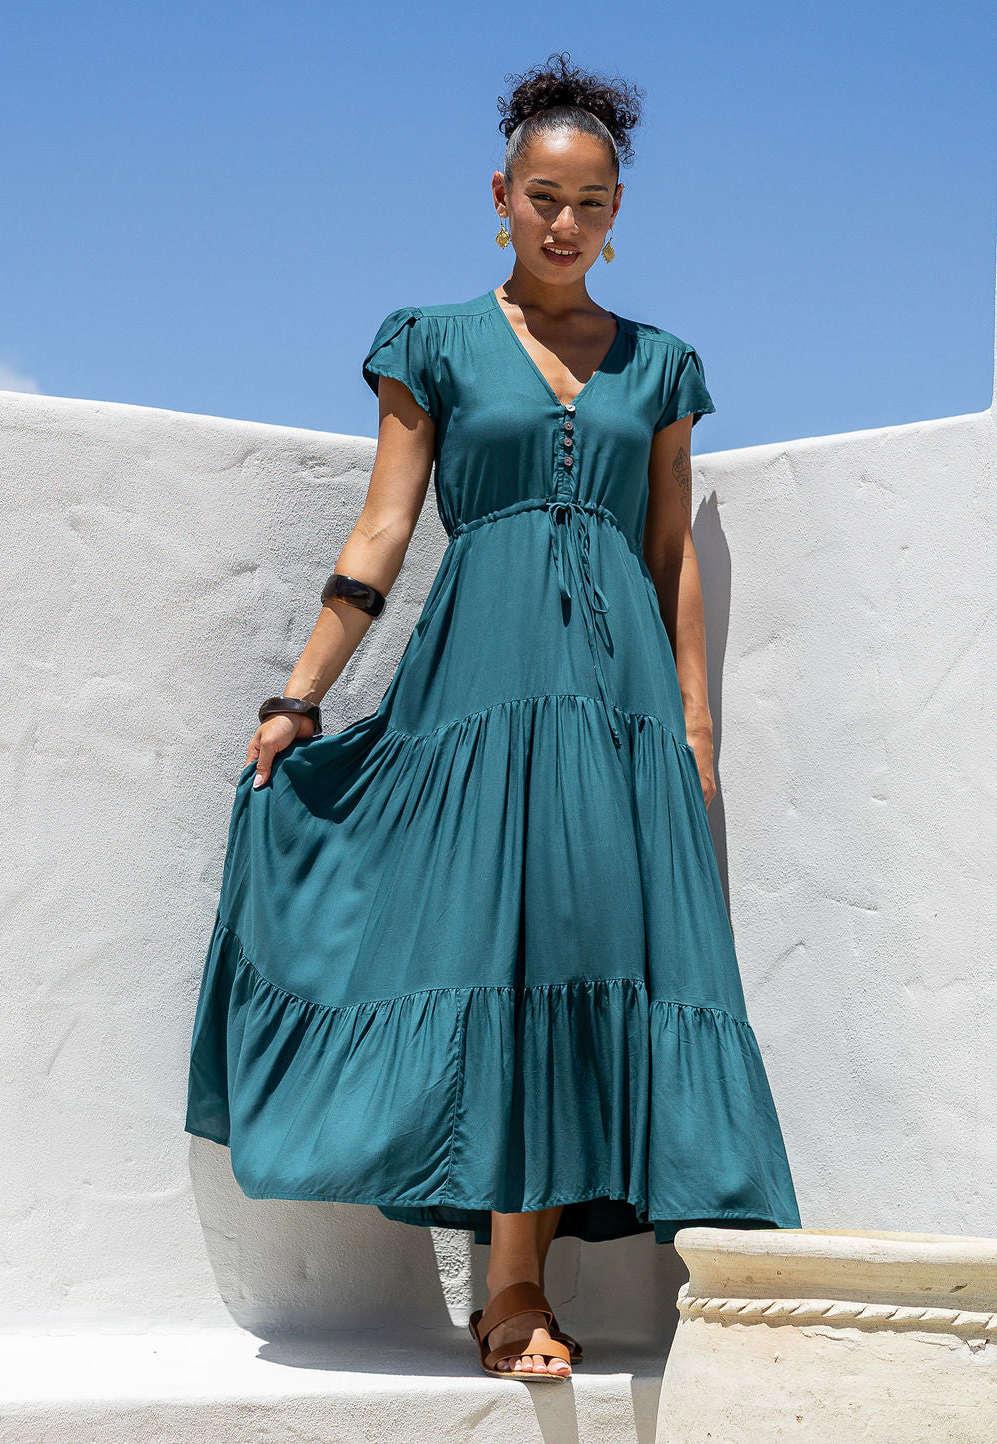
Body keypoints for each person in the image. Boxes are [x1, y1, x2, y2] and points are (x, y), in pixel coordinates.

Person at [184, 50, 802, 1384]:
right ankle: (509, 1288)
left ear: (617, 210)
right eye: (541, 198)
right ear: (502, 198)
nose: (563, 223)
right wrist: (303, 693)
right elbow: (386, 528)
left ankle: (584, 1262)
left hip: (620, 705)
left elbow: (672, 552)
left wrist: (693, 725)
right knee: (501, 957)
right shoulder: (436, 345)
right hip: (482, 686)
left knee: (589, 953)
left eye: (589, 203)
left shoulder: (662, 366)